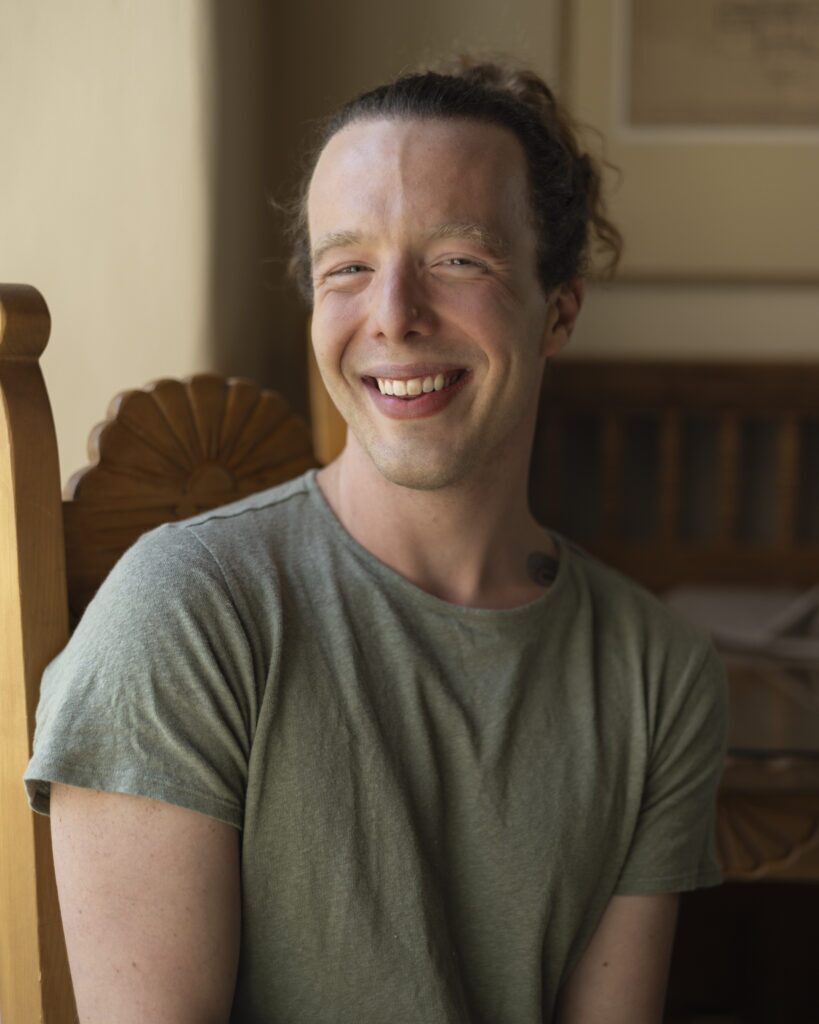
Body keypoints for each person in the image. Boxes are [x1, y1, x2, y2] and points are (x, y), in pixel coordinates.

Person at [24, 54, 728, 1024]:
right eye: (347, 267)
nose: (393, 316)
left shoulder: (659, 669)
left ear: (557, 305)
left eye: (457, 260)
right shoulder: (184, 613)